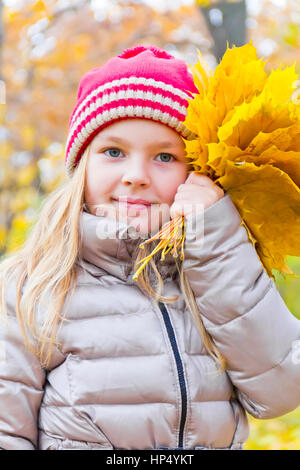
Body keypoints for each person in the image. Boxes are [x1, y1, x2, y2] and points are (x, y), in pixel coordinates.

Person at [0, 45, 299, 451]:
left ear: (195, 174)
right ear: (82, 165)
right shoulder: (29, 285)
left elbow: (281, 390)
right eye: (113, 152)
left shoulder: (217, 268)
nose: (136, 176)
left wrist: (213, 241)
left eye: (164, 156)